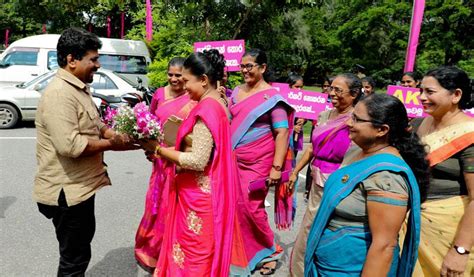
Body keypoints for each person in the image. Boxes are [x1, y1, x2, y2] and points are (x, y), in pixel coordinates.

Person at [34, 28, 138, 276]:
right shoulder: (60, 94)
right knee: (74, 260)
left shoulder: (78, 88)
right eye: (93, 59)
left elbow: (94, 124)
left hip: (79, 190)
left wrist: (110, 133)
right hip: (66, 193)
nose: (98, 65)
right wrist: (115, 144)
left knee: (79, 252)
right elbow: (71, 146)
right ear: (71, 60)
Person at [305, 94, 429, 276]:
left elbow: (384, 245)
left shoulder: (387, 179)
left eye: (356, 119)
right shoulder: (357, 151)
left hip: (353, 269)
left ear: (381, 130)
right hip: (331, 265)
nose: (348, 123)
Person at [138, 49, 239, 276]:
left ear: (203, 80)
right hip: (200, 192)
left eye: (186, 81)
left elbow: (197, 160)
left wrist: (159, 149)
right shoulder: (217, 103)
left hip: (199, 199)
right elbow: (196, 148)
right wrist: (162, 152)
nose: (182, 87)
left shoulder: (207, 109)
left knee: (193, 258)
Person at [288, 73, 363, 276]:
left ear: (355, 94)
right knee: (308, 231)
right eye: (331, 88)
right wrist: (295, 171)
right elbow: (312, 148)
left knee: (328, 233)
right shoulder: (323, 116)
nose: (332, 94)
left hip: (340, 185)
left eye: (338, 90)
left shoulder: (358, 121)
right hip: (316, 183)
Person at [229, 49, 294, 275]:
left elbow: (282, 134)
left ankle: (271, 250)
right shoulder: (236, 92)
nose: (245, 70)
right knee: (234, 208)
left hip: (259, 164)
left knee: (251, 208)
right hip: (233, 161)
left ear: (263, 68)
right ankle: (242, 252)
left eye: (250, 66)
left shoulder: (272, 98)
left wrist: (276, 169)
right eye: (242, 66)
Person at [411, 66, 474, 276]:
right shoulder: (420, 124)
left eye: (430, 92)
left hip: (449, 235)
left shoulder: (469, 135)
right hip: (415, 229)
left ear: (456, 95)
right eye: (421, 91)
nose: (422, 97)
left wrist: (460, 250)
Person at [134, 57, 196, 271]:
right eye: (170, 74)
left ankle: (170, 253)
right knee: (155, 201)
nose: (173, 79)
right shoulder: (159, 94)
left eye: (178, 75)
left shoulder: (193, 97)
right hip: (159, 159)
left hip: (179, 160)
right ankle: (151, 248)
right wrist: (147, 148)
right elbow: (148, 123)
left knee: (173, 205)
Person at [287, 73, 305, 157]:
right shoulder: (284, 100)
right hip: (285, 137)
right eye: (297, 87)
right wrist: (292, 128)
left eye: (301, 87)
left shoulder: (303, 99)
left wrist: (303, 120)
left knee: (293, 160)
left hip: (296, 139)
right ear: (289, 86)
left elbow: (308, 114)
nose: (300, 90)